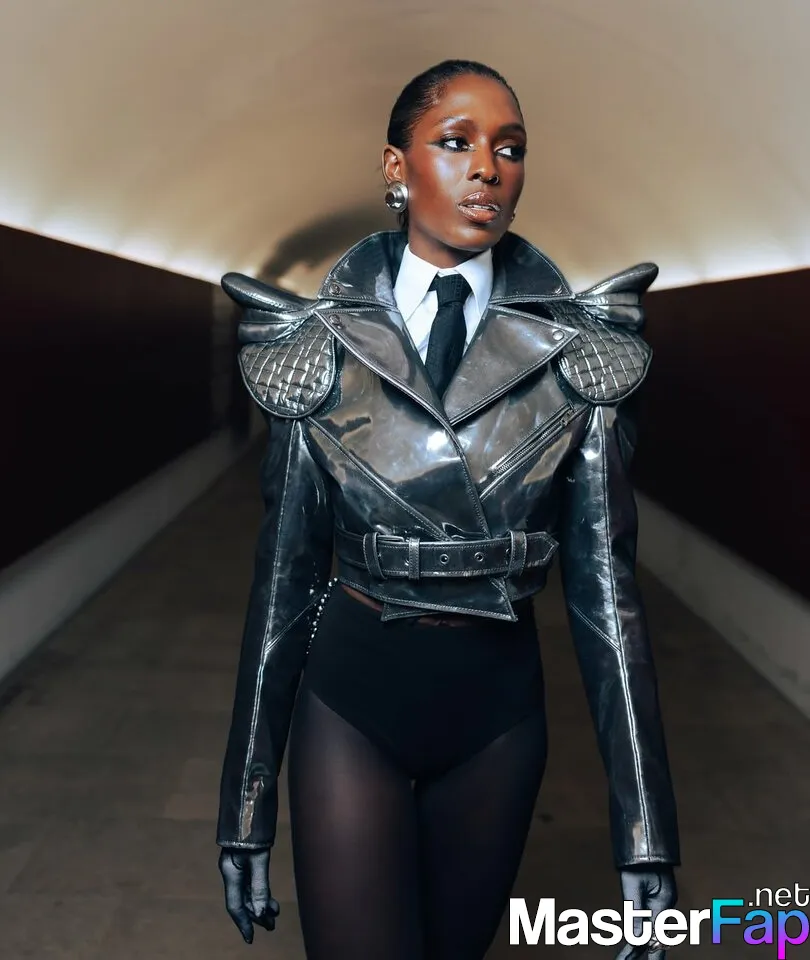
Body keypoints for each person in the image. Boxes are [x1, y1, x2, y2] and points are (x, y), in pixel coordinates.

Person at [215, 59, 680, 960]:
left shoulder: (582, 356)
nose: (487, 169)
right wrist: (245, 802)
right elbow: (282, 584)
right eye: (456, 142)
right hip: (352, 697)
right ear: (397, 167)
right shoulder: (316, 348)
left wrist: (645, 827)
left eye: (511, 149)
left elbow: (608, 600)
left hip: (497, 712)